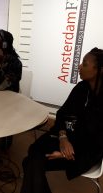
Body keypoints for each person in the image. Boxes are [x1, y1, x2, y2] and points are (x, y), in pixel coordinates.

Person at [20, 47, 103, 193]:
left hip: (85, 154)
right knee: (33, 154)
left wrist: (67, 154)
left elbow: (97, 146)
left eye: (84, 64)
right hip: (66, 139)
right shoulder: (81, 88)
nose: (79, 66)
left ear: (99, 71)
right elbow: (62, 114)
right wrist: (63, 137)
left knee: (30, 161)